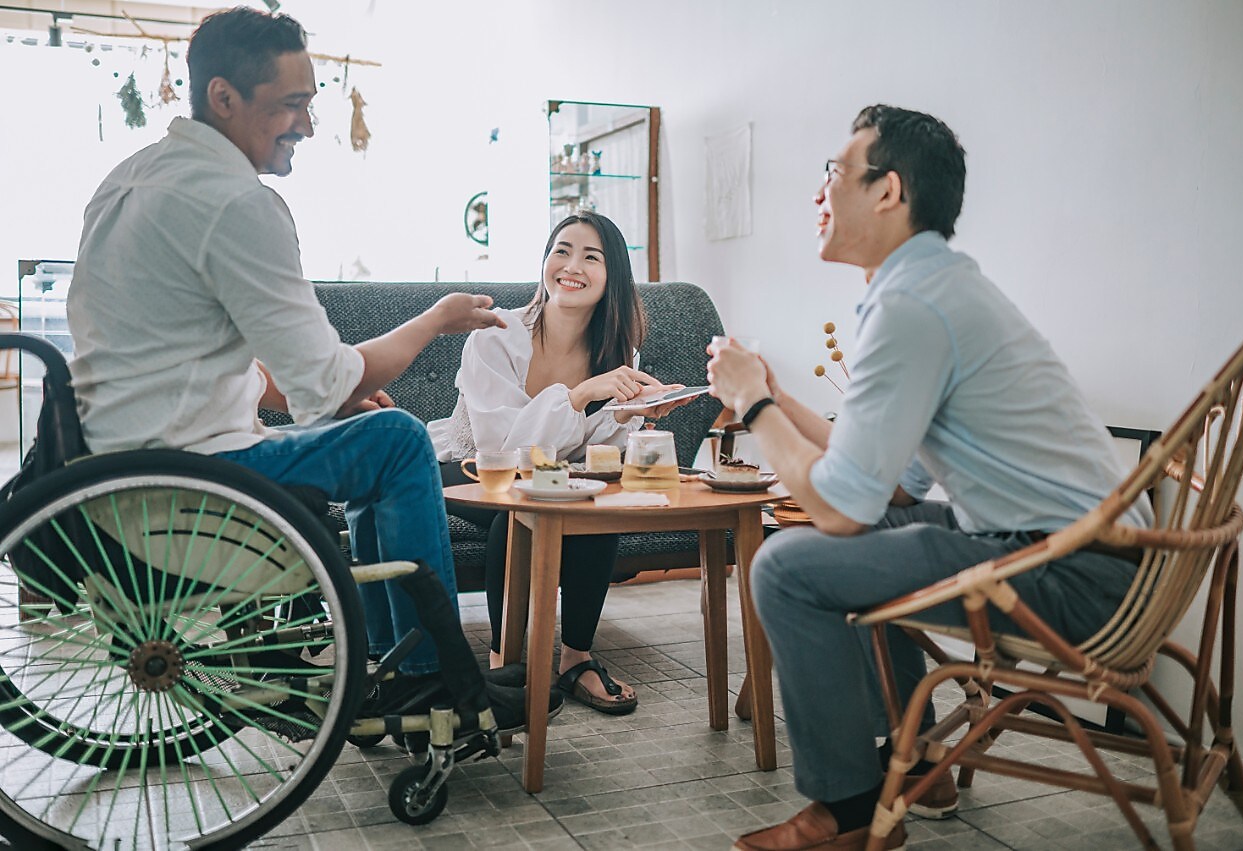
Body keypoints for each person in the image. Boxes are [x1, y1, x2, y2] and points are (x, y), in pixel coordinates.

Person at [64, 7, 534, 731]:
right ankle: (423, 675)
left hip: (116, 471)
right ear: (224, 97)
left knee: (374, 435)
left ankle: (390, 658)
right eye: (292, 104)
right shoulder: (236, 204)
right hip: (194, 480)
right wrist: (435, 320)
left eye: (310, 104)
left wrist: (337, 397)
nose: (308, 126)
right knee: (402, 438)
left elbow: (192, 355)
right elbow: (329, 384)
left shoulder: (129, 182)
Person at [707, 105, 1154, 851]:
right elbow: (893, 483)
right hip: (1093, 556)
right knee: (876, 533)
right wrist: (779, 399)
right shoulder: (936, 289)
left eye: (834, 172)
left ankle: (846, 813)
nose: (819, 192)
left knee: (787, 565)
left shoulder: (912, 305)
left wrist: (751, 402)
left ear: (888, 192)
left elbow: (844, 506)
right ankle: (910, 766)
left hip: (1075, 574)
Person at [430, 211, 687, 715]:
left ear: (612, 276)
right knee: (521, 510)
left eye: (591, 257)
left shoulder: (617, 351)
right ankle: (507, 665)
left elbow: (597, 450)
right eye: (561, 251)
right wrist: (579, 395)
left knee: (593, 503)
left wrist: (633, 413)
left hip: (552, 479)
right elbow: (501, 445)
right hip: (468, 468)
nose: (571, 266)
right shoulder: (494, 335)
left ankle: (575, 660)